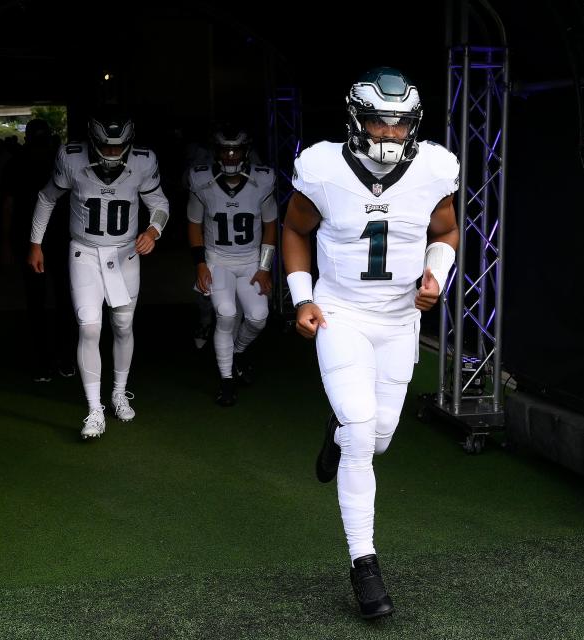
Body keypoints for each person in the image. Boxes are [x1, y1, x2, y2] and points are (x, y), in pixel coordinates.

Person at [282, 67, 459, 619]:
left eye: (399, 124)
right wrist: (301, 298)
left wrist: (437, 276)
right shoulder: (323, 168)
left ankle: (339, 435)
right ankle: (365, 564)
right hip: (342, 315)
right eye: (379, 122)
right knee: (364, 434)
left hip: (398, 321)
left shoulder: (434, 168)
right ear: (356, 121)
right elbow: (293, 229)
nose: (388, 134)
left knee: (376, 439)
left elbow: (447, 232)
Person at [27, 106, 170, 439]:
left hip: (125, 254)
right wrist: (35, 242)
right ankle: (94, 409)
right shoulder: (72, 157)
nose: (112, 153)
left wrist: (153, 231)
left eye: (118, 146)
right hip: (85, 252)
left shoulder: (143, 161)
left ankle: (119, 392)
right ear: (91, 141)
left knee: (122, 325)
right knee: (89, 327)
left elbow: (160, 204)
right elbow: (47, 198)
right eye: (105, 146)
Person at [187, 125, 277, 406]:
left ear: (245, 152)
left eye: (234, 149)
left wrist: (264, 267)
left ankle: (236, 352)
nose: (229, 156)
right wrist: (201, 265)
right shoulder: (201, 180)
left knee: (259, 316)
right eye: (224, 150)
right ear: (215, 153)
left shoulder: (262, 180)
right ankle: (226, 380)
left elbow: (270, 226)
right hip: (218, 259)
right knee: (225, 314)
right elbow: (194, 225)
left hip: (251, 259)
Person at [3, 119, 76, 382]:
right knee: (57, 301)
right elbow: (10, 203)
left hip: (48, 239)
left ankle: (53, 361)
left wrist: (7, 242)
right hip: (40, 240)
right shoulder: (50, 162)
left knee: (49, 302)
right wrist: (8, 242)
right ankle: (57, 360)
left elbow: (9, 205)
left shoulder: (47, 163)